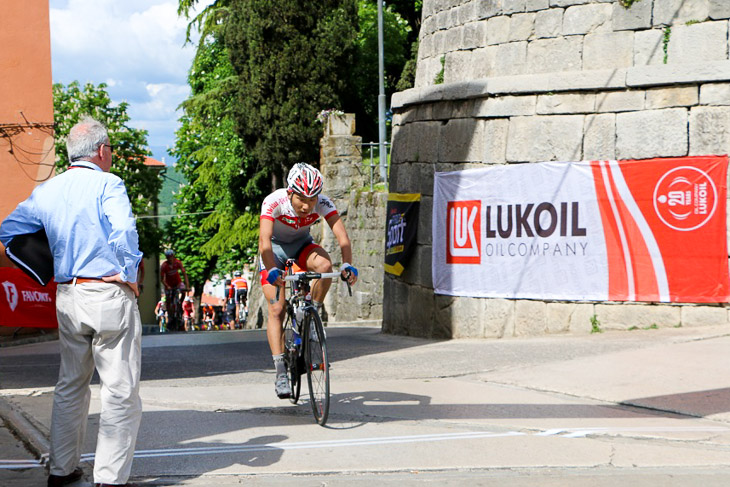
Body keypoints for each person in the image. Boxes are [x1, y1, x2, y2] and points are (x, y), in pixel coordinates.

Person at [0, 116, 142, 487]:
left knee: (70, 385)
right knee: (119, 388)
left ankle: (62, 470)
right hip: (107, 293)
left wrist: (44, 268)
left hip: (68, 295)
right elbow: (124, 229)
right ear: (102, 151)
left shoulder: (48, 190)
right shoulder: (108, 183)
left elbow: (9, 230)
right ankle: (109, 478)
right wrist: (128, 272)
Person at [259, 162, 358, 399]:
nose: (307, 205)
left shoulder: (322, 203)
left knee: (325, 265)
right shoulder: (274, 202)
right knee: (277, 308)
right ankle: (281, 370)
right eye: (302, 199)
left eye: (312, 199)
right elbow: (264, 242)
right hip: (274, 250)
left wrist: (347, 264)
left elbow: (342, 237)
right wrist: (272, 269)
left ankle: (312, 311)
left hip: (302, 245)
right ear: (290, 192)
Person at [160, 249, 189, 330]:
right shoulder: (164, 266)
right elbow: (162, 279)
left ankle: (180, 303)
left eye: (171, 257)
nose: (170, 259)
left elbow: (184, 274)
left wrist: (187, 286)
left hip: (178, 283)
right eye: (168, 258)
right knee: (168, 299)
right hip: (169, 284)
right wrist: (167, 286)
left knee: (183, 291)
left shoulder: (178, 263)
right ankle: (170, 315)